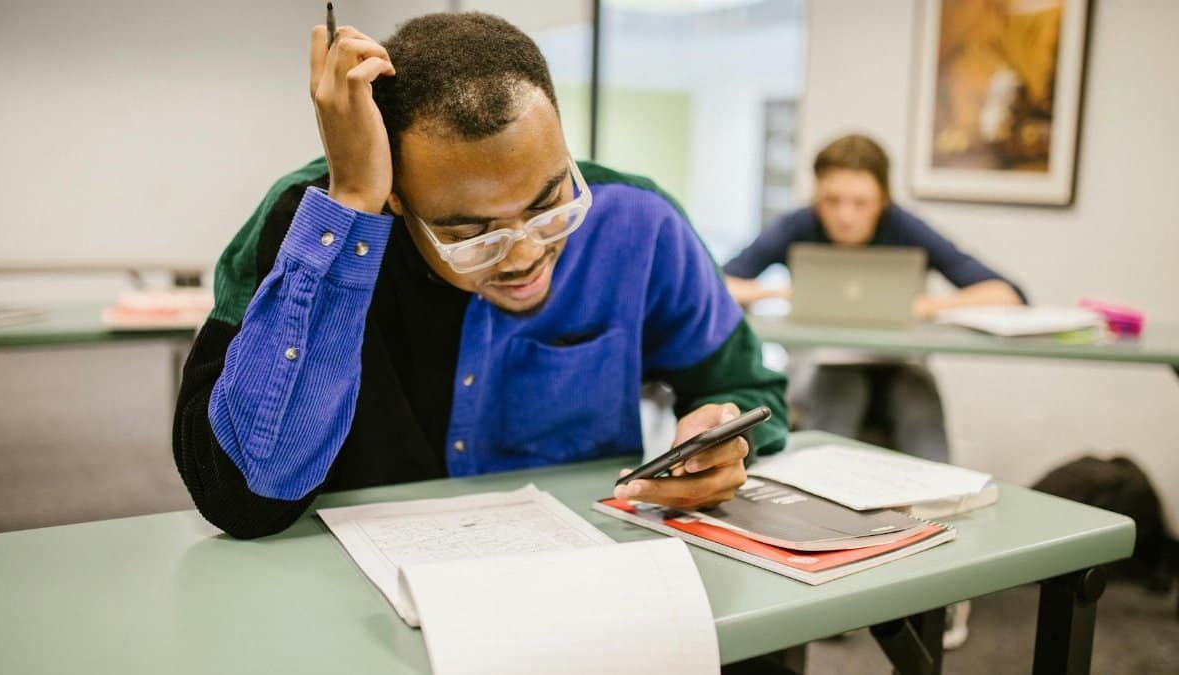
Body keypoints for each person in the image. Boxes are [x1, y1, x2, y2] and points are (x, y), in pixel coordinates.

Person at [173, 13, 787, 540]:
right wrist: (354, 200)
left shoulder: (639, 221)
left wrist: (722, 437)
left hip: (581, 577)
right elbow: (241, 497)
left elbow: (750, 391)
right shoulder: (311, 222)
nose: (521, 257)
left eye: (551, 204)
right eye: (472, 235)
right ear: (397, 195)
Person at [723, 134, 1025, 465]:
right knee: (840, 390)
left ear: (883, 199)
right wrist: (779, 293)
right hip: (824, 366)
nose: (845, 216)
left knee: (917, 401)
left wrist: (927, 306)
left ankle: (938, 507)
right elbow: (717, 285)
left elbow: (1007, 294)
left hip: (900, 366)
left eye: (860, 203)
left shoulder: (905, 227)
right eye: (832, 200)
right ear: (816, 196)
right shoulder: (798, 225)